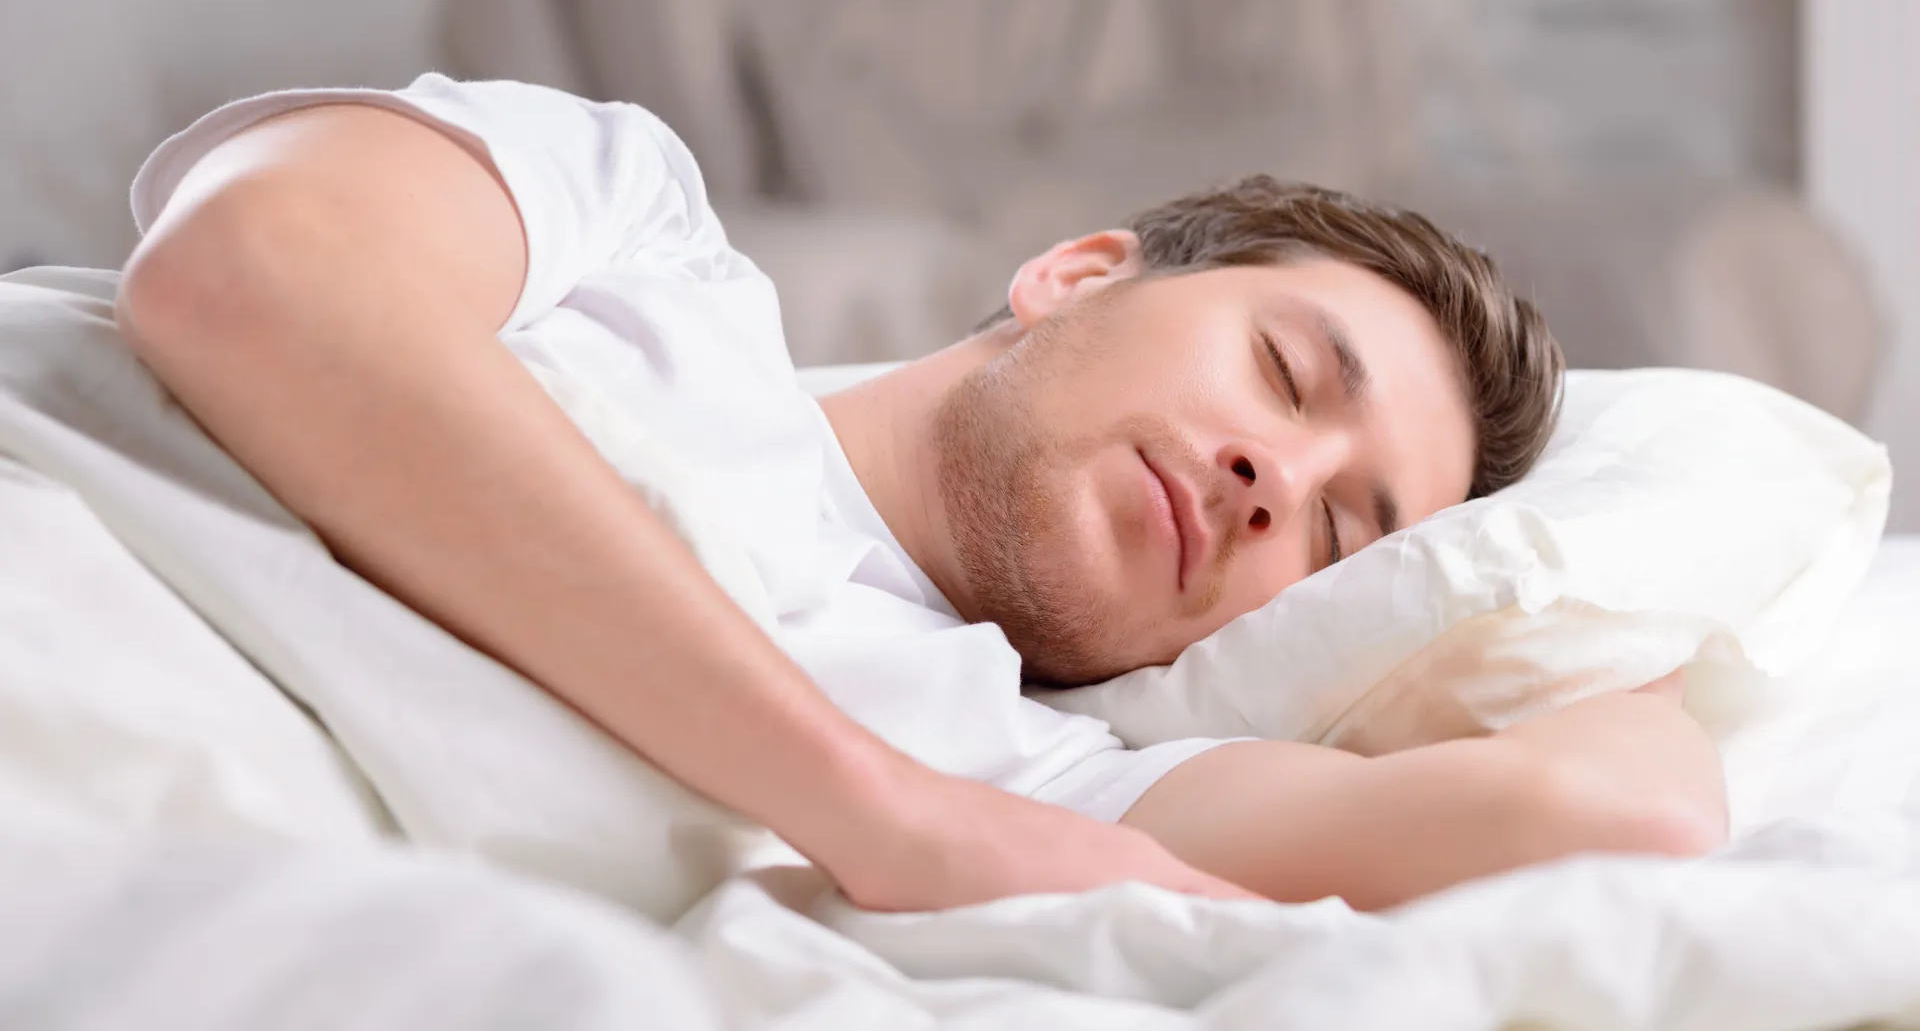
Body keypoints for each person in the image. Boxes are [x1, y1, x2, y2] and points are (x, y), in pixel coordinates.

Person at [114, 76, 1727, 915]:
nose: (1270, 480)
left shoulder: (1039, 780)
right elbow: (246, 274)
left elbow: (1617, 819)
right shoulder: (624, 232)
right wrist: (869, 809)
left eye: (1339, 531)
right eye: (1289, 378)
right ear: (1078, 272)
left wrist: (1616, 594)